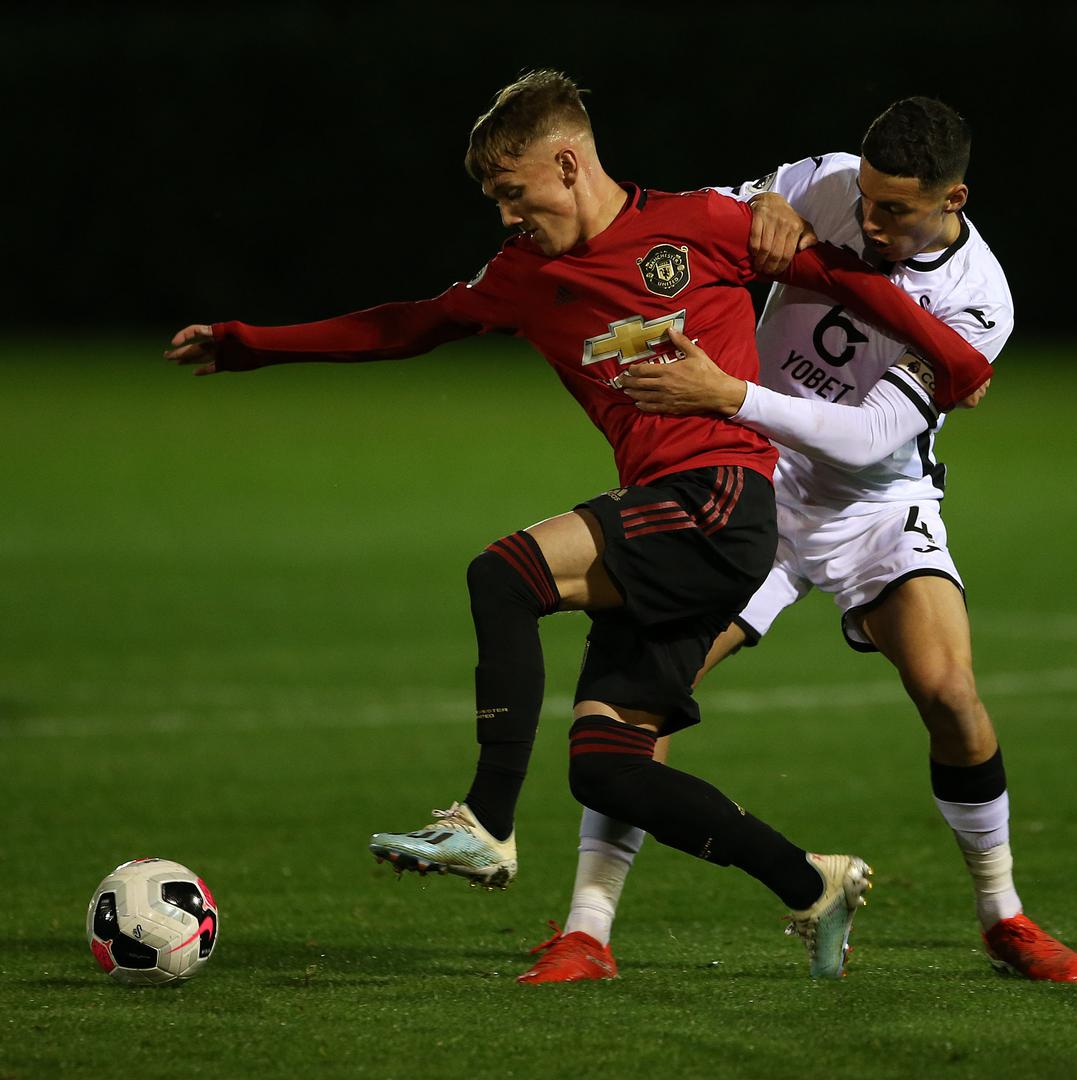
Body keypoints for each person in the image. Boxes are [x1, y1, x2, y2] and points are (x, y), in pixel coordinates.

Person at [165, 72, 992, 979]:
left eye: (512, 192)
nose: (507, 216)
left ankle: (485, 822)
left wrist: (954, 360)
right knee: (607, 764)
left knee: (503, 574)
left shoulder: (693, 228)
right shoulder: (527, 275)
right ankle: (809, 881)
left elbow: (849, 283)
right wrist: (250, 344)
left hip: (718, 498)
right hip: (676, 524)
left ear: (566, 163)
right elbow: (408, 324)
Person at [520, 97, 1077, 985]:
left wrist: (726, 393)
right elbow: (677, 228)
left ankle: (1003, 916)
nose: (868, 220)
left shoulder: (979, 300)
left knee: (948, 690)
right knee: (645, 699)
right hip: (748, 481)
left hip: (875, 500)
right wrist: (760, 204)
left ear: (954, 198)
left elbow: (866, 437)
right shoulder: (823, 183)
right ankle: (587, 932)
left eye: (894, 210)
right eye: (863, 198)